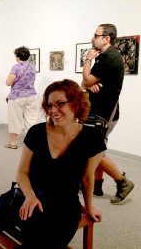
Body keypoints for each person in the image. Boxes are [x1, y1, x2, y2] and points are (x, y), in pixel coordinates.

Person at [16, 79, 104, 248]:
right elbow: (22, 173)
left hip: (66, 206)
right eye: (49, 105)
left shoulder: (92, 138)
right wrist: (30, 195)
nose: (53, 111)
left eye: (60, 104)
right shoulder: (36, 132)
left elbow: (87, 177)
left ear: (77, 104)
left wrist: (89, 206)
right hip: (34, 200)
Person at [81, 23, 135, 204]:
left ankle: (123, 182)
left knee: (94, 150)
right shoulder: (105, 56)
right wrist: (88, 83)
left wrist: (87, 60)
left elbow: (87, 80)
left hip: (104, 114)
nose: (92, 38)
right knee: (98, 147)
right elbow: (86, 83)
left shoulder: (109, 58)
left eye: (95, 35)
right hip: (99, 111)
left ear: (106, 38)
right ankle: (97, 185)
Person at [4, 46, 39, 149]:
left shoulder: (16, 67)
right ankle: (31, 143)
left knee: (15, 120)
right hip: (32, 95)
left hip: (17, 97)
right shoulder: (32, 66)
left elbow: (8, 82)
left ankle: (13, 144)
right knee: (31, 120)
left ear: (17, 56)